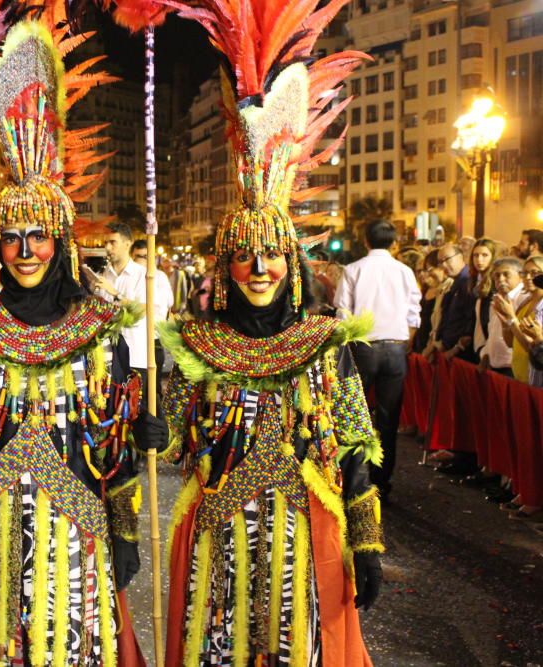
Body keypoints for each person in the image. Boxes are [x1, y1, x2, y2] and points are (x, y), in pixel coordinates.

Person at [0, 18, 163, 665]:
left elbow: (114, 452)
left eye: (38, 235)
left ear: (61, 241)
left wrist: (126, 529)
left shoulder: (99, 333)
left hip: (73, 540)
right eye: (12, 237)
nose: (25, 250)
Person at [159, 8, 382, 664]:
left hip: (300, 541)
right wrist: (146, 423)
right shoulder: (198, 345)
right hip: (217, 544)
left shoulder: (321, 342)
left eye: (272, 255)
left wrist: (365, 541)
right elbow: (173, 440)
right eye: (244, 255)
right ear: (225, 267)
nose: (259, 268)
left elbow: (356, 445)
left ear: (293, 265)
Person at [335, 219, 422, 497]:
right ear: (394, 242)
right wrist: (405, 340)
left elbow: (342, 314)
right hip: (396, 347)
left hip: (362, 347)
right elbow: (414, 312)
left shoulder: (353, 270)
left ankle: (355, 479)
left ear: (366, 240)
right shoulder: (405, 271)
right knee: (388, 418)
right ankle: (382, 481)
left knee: (354, 413)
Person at [94, 222, 172, 405]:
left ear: (128, 244)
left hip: (137, 356)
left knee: (145, 412)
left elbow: (145, 308)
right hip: (109, 357)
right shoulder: (105, 275)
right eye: (106, 243)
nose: (108, 248)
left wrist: (115, 293)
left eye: (113, 242)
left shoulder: (143, 275)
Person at [494, 255, 543, 383]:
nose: (527, 277)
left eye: (534, 273)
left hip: (535, 377)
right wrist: (505, 324)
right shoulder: (525, 302)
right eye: (525, 273)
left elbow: (533, 348)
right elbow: (511, 343)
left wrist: (511, 318)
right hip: (519, 376)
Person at [479, 257, 524, 376]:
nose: (501, 279)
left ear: (520, 276)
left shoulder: (523, 299)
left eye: (506, 274)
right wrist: (486, 354)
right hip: (494, 365)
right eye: (497, 276)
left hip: (512, 367)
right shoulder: (497, 298)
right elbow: (492, 331)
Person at [435, 242, 478, 362]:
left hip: (461, 353)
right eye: (440, 262)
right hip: (448, 349)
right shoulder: (456, 281)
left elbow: (467, 320)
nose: (443, 265)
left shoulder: (467, 281)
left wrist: (455, 348)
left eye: (447, 259)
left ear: (460, 257)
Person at [470, 239, 500, 361]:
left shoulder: (494, 284)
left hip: (489, 347)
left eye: (485, 255)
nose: (479, 260)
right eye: (475, 255)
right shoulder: (474, 280)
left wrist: (486, 350)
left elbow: (491, 322)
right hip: (477, 343)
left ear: (493, 257)